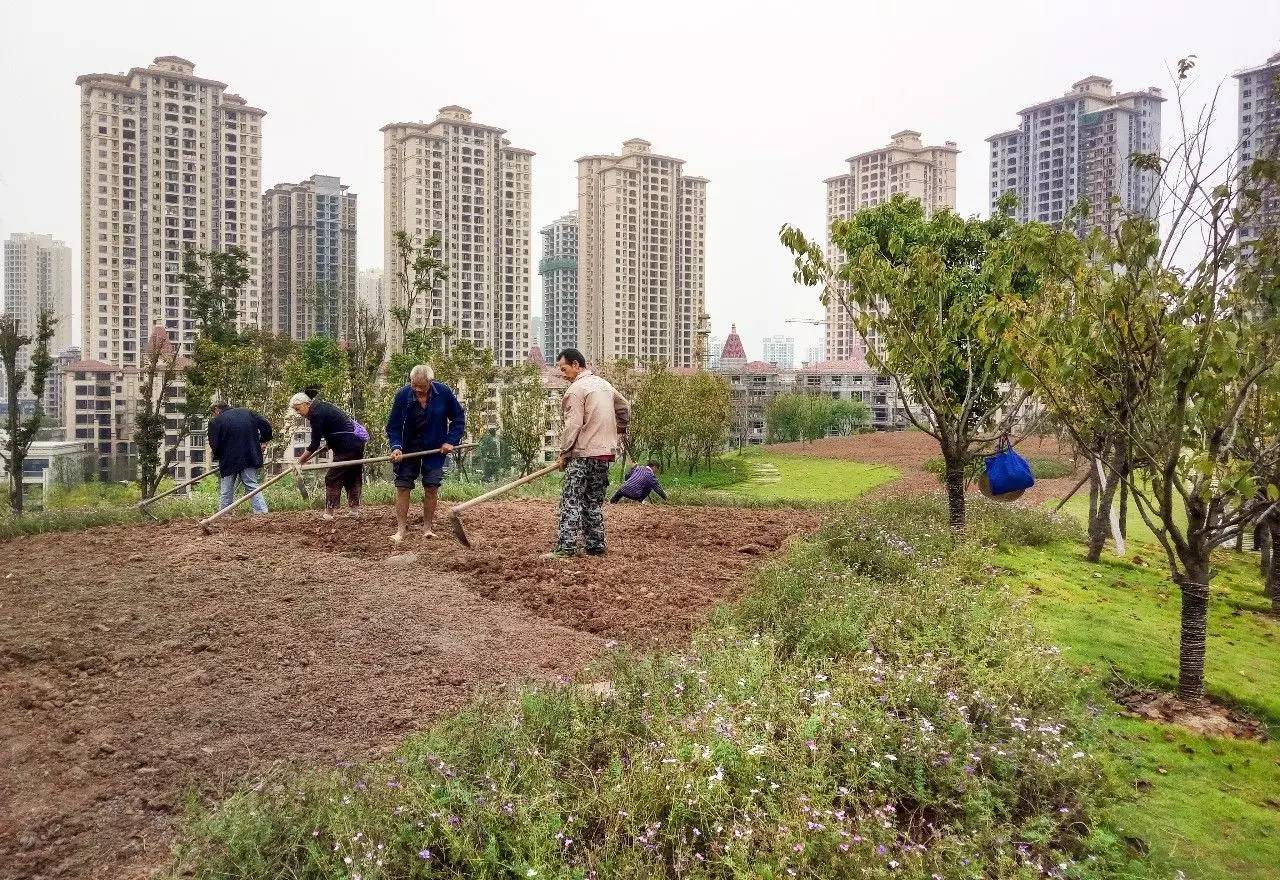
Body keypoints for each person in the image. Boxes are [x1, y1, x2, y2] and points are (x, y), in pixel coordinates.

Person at [547, 348, 631, 559]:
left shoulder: (576, 390)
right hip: (604, 455)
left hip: (582, 454)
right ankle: (595, 545)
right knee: (593, 501)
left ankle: (566, 547)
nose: (562, 374)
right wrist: (619, 428)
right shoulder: (605, 385)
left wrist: (564, 453)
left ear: (576, 365)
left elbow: (573, 426)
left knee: (571, 499)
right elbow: (625, 409)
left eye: (564, 369)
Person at [385, 363, 465, 542]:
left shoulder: (444, 393)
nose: (417, 390)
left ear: (430, 382)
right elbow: (393, 426)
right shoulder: (403, 395)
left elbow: (458, 419)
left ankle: (427, 528)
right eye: (414, 385)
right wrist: (396, 446)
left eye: (421, 386)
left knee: (431, 486)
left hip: (435, 448)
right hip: (407, 449)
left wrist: (450, 441)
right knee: (403, 486)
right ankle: (400, 531)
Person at [291, 393, 368, 520]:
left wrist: (300, 461)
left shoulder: (315, 414)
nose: (297, 412)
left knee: (332, 477)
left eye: (298, 408)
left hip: (347, 446)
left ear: (306, 404)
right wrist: (328, 445)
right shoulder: (320, 407)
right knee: (351, 476)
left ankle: (329, 513)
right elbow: (336, 426)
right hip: (355, 443)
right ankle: (354, 511)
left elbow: (314, 444)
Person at [207, 402, 274, 514]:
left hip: (228, 459)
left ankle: (224, 514)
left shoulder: (215, 421)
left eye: (213, 413)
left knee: (227, 488)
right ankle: (261, 512)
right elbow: (265, 425)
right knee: (251, 484)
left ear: (217, 410)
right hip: (249, 454)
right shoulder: (247, 412)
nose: (214, 415)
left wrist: (219, 456)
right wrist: (263, 441)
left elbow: (214, 443)